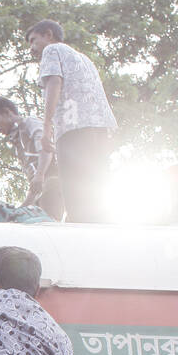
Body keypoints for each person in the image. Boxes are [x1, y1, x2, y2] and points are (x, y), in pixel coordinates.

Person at [25, 20, 117, 223]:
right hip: (101, 129)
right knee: (95, 186)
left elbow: (54, 83)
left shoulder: (52, 50)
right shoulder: (84, 59)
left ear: (48, 35)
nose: (32, 48)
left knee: (74, 190)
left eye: (33, 41)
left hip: (73, 127)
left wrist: (47, 126)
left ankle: (81, 232)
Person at [0, 95, 63, 220]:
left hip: (52, 179)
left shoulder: (29, 123)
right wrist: (19, 210)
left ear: (7, 113)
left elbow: (46, 149)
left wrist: (40, 174)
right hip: (40, 188)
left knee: (50, 222)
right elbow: (35, 184)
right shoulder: (17, 144)